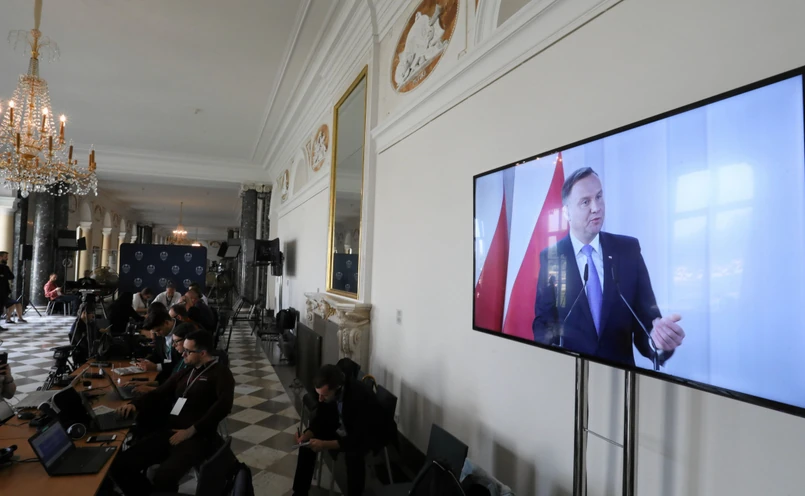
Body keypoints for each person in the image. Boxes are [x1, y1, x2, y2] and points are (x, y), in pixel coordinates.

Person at [532, 167, 685, 366]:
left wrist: (658, 341)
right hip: (570, 373)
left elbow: (647, 323)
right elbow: (544, 323)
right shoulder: (552, 257)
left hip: (621, 377)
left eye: (599, 197)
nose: (596, 208)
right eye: (585, 202)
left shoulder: (628, 250)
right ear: (567, 212)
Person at [110, 330, 234, 495]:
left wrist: (191, 430)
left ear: (203, 353)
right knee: (119, 465)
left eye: (188, 351)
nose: (183, 354)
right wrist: (134, 405)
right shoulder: (188, 370)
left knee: (164, 477)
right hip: (170, 431)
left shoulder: (221, 373)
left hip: (197, 437)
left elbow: (223, 407)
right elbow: (161, 391)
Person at [292, 364, 397, 496]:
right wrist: (307, 434)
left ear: (338, 388)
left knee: (353, 456)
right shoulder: (325, 391)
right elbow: (322, 417)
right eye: (319, 394)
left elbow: (356, 439)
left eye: (324, 395)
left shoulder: (359, 396)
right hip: (345, 425)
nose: (320, 399)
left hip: (370, 434)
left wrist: (324, 444)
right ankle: (300, 493)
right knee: (306, 444)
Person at [130, 323, 196, 394]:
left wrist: (152, 389)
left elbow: (179, 392)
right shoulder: (183, 359)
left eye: (176, 341)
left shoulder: (192, 363)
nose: (173, 345)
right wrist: (148, 383)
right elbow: (171, 383)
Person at [0, 251, 25, 326]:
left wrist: (3, 276)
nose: (7, 258)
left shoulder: (6, 267)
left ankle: (17, 318)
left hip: (4, 291)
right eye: (5, 257)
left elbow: (11, 276)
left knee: (13, 303)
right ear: (0, 257)